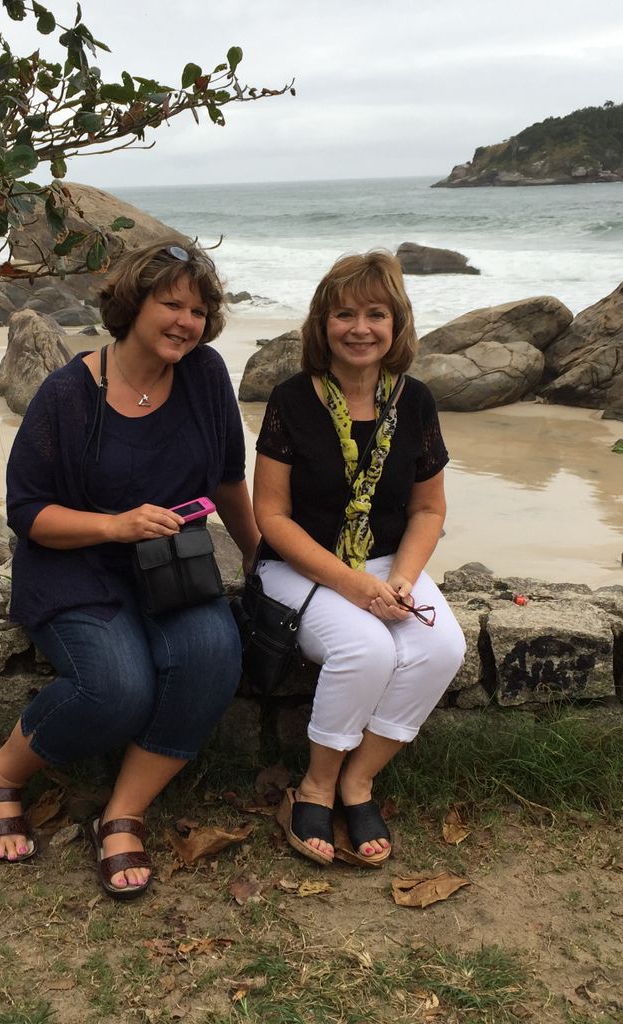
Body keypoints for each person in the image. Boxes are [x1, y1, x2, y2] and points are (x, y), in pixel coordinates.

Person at [0, 240, 259, 899]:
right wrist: (115, 525)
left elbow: (226, 480)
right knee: (116, 688)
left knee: (214, 652)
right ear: (133, 303)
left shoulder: (206, 376)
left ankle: (122, 811)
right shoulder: (69, 394)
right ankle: (1, 774)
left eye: (198, 309)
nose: (186, 321)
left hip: (171, 567)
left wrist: (255, 550)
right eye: (171, 303)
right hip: (75, 567)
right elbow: (27, 512)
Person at [253, 250, 466, 866]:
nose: (360, 328)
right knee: (365, 648)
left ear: (396, 324)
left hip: (388, 565)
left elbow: (428, 510)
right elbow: (271, 516)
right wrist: (352, 584)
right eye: (344, 313)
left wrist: (400, 579)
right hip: (298, 567)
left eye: (376, 313)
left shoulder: (416, 401)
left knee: (440, 647)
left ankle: (359, 779)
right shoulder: (292, 400)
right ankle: (315, 785)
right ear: (322, 324)